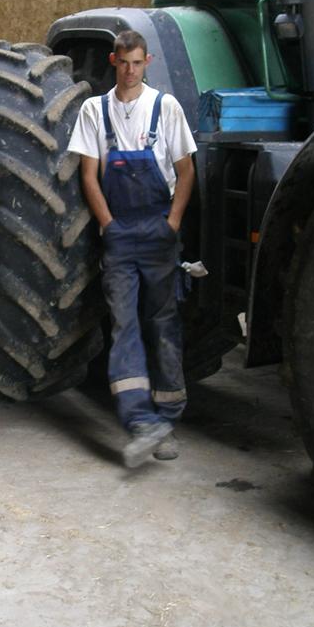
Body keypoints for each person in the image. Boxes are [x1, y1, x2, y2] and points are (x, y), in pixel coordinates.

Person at [67, 30, 197, 467]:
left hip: (159, 234)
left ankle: (167, 418)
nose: (129, 70)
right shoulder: (94, 110)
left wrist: (173, 223)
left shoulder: (166, 107)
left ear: (148, 61)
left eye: (137, 63)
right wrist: (108, 227)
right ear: (113, 60)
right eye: (123, 62)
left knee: (162, 324)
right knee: (124, 325)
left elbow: (186, 170)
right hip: (121, 236)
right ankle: (140, 421)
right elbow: (89, 175)